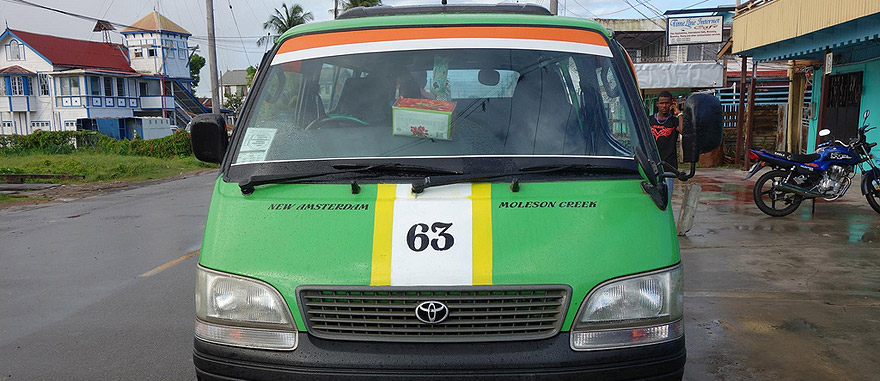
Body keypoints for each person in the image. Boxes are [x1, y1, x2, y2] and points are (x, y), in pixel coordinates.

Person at [649, 91, 683, 198]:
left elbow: (682, 130)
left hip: (669, 166)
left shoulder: (674, 121)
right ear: (657, 104)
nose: (664, 106)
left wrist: (680, 113)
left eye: (667, 103)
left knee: (666, 198)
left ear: (671, 104)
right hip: (652, 165)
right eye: (662, 103)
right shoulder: (649, 120)